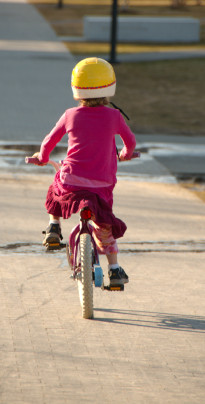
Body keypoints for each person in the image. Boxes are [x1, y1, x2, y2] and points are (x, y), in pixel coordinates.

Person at [32, 58, 136, 287]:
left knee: (56, 185)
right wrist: (126, 154)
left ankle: (54, 226)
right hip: (102, 185)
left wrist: (42, 157)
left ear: (76, 88)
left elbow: (49, 142)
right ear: (110, 86)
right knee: (104, 225)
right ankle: (115, 269)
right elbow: (130, 142)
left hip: (73, 182)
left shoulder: (70, 114)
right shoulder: (115, 116)